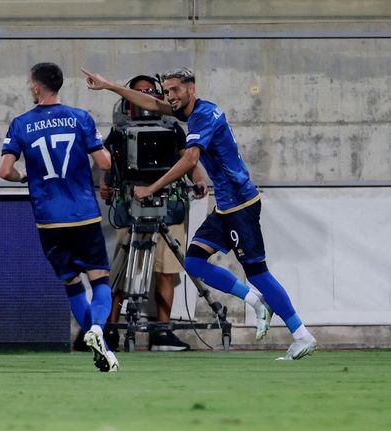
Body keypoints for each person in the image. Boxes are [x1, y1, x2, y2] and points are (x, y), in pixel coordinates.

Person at [82, 67, 317, 360]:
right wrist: (109, 85)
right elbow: (152, 104)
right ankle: (257, 302)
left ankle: (300, 333)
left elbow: (191, 158)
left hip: (240, 204)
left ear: (191, 89)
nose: (170, 97)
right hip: (226, 206)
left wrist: (151, 187)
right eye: (167, 92)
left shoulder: (204, 115)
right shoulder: (193, 111)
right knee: (193, 261)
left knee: (258, 272)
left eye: (175, 91)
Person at [0, 62, 118, 372]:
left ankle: (100, 347)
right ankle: (98, 330)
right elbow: (104, 163)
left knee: (72, 283)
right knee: (100, 279)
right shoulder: (81, 118)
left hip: (49, 218)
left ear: (37, 87)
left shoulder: (21, 124)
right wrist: (100, 144)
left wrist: (22, 175)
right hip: (83, 213)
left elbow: (4, 171)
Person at [98, 74, 206, 352]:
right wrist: (105, 184)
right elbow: (108, 162)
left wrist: (199, 176)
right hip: (131, 202)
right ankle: (111, 330)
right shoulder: (119, 129)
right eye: (139, 92)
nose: (146, 96)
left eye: (149, 91)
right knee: (122, 272)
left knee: (167, 270)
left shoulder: (173, 126)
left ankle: (162, 332)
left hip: (168, 203)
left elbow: (188, 156)